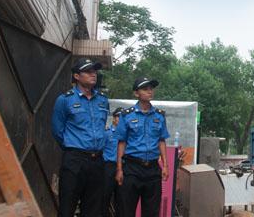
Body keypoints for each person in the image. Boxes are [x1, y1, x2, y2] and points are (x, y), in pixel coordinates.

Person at [51, 58, 109, 217]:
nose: (93, 74)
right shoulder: (65, 100)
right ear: (77, 76)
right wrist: (73, 148)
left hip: (97, 160)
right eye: (88, 71)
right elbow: (57, 130)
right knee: (67, 206)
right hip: (74, 160)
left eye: (94, 71)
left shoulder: (103, 101)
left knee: (93, 208)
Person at [115, 78, 170, 217]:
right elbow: (121, 142)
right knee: (126, 210)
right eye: (145, 89)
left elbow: (161, 140)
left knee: (152, 212)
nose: (150, 91)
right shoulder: (127, 115)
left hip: (152, 169)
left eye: (151, 88)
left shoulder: (159, 115)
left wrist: (165, 166)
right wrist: (119, 169)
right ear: (136, 93)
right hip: (132, 168)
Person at [102, 107, 123, 217]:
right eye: (119, 116)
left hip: (122, 168)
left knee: (121, 198)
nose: (121, 119)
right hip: (109, 167)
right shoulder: (107, 133)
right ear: (114, 118)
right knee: (105, 196)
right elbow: (100, 149)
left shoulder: (126, 135)